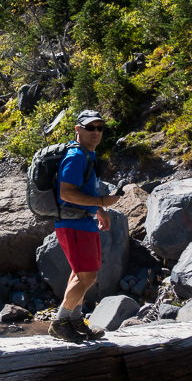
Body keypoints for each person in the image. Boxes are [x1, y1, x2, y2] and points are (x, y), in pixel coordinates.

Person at [48, 109, 121, 343]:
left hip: (83, 222)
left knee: (81, 274)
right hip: (73, 224)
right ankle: (60, 323)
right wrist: (102, 201)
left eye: (100, 128)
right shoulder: (76, 156)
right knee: (87, 276)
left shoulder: (88, 155)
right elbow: (66, 192)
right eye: (90, 128)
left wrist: (99, 210)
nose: (96, 132)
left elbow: (84, 189)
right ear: (78, 129)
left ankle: (75, 320)